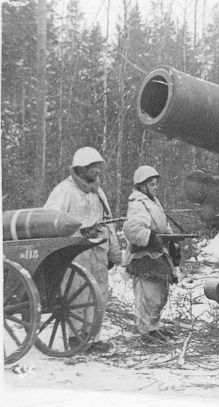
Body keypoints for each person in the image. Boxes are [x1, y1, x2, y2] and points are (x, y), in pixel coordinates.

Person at [44, 146, 122, 350]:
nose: (98, 171)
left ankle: (91, 338)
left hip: (98, 252)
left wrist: (114, 251)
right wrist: (80, 232)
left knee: (99, 295)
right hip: (74, 253)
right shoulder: (64, 190)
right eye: (94, 167)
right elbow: (50, 220)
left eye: (99, 167)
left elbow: (109, 222)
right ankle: (75, 338)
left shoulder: (98, 191)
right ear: (82, 168)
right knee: (78, 294)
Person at [122, 165, 180, 343]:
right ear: (142, 186)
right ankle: (146, 331)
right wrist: (152, 238)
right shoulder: (138, 203)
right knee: (148, 294)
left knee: (159, 293)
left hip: (156, 254)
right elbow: (132, 229)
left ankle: (153, 327)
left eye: (156, 184)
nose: (156, 187)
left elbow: (161, 224)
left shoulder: (153, 201)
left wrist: (171, 239)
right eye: (152, 184)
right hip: (144, 256)